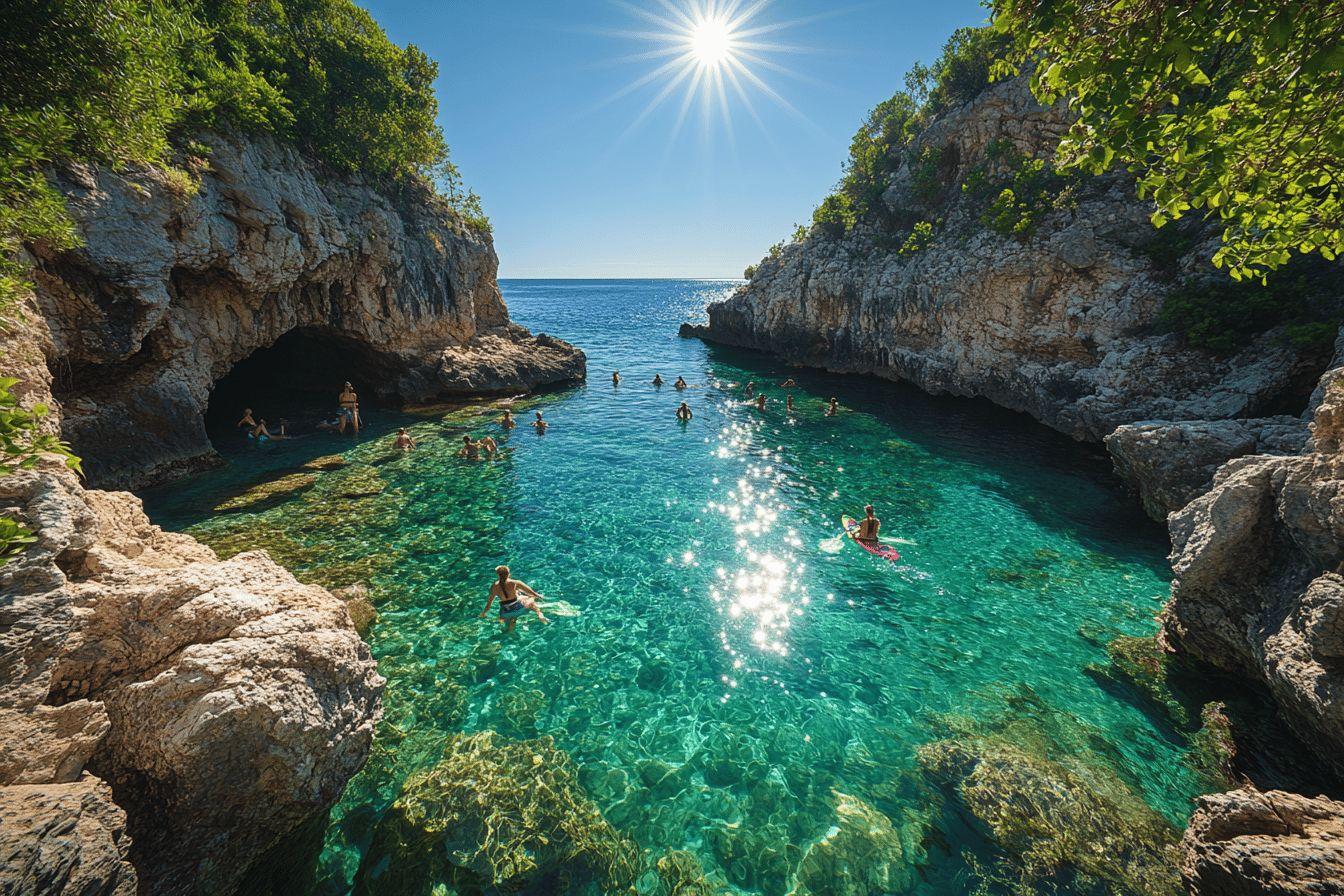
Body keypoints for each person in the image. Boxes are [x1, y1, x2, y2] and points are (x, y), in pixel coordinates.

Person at [479, 565, 549, 631]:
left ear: (498, 575)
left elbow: (489, 604)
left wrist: (483, 613)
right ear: (509, 574)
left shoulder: (494, 587)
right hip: (519, 608)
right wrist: (539, 596)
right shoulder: (515, 583)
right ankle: (539, 614)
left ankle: (510, 631)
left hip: (505, 613)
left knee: (511, 619)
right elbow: (532, 593)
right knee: (531, 598)